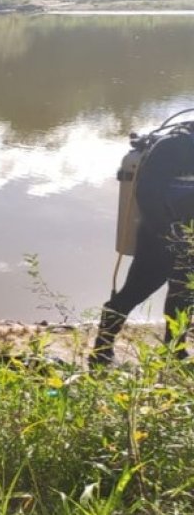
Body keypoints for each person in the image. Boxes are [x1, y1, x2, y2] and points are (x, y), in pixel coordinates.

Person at [90, 124, 194, 368]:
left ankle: (175, 351)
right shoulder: (170, 147)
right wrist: (169, 233)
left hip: (190, 239)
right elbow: (146, 195)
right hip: (158, 237)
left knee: (184, 296)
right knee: (135, 292)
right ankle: (102, 348)